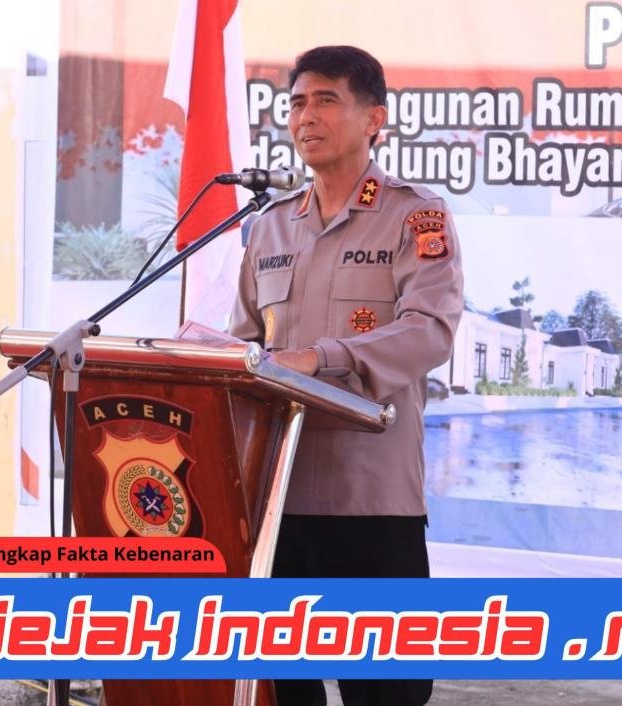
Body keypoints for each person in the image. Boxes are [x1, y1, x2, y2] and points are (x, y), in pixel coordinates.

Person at [228, 45, 464, 706]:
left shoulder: (415, 216)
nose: (306, 116)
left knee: (385, 692)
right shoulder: (270, 228)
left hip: (368, 499)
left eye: (326, 100)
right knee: (280, 689)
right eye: (298, 102)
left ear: (374, 119)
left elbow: (430, 329)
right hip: (274, 497)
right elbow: (243, 344)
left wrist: (320, 357)